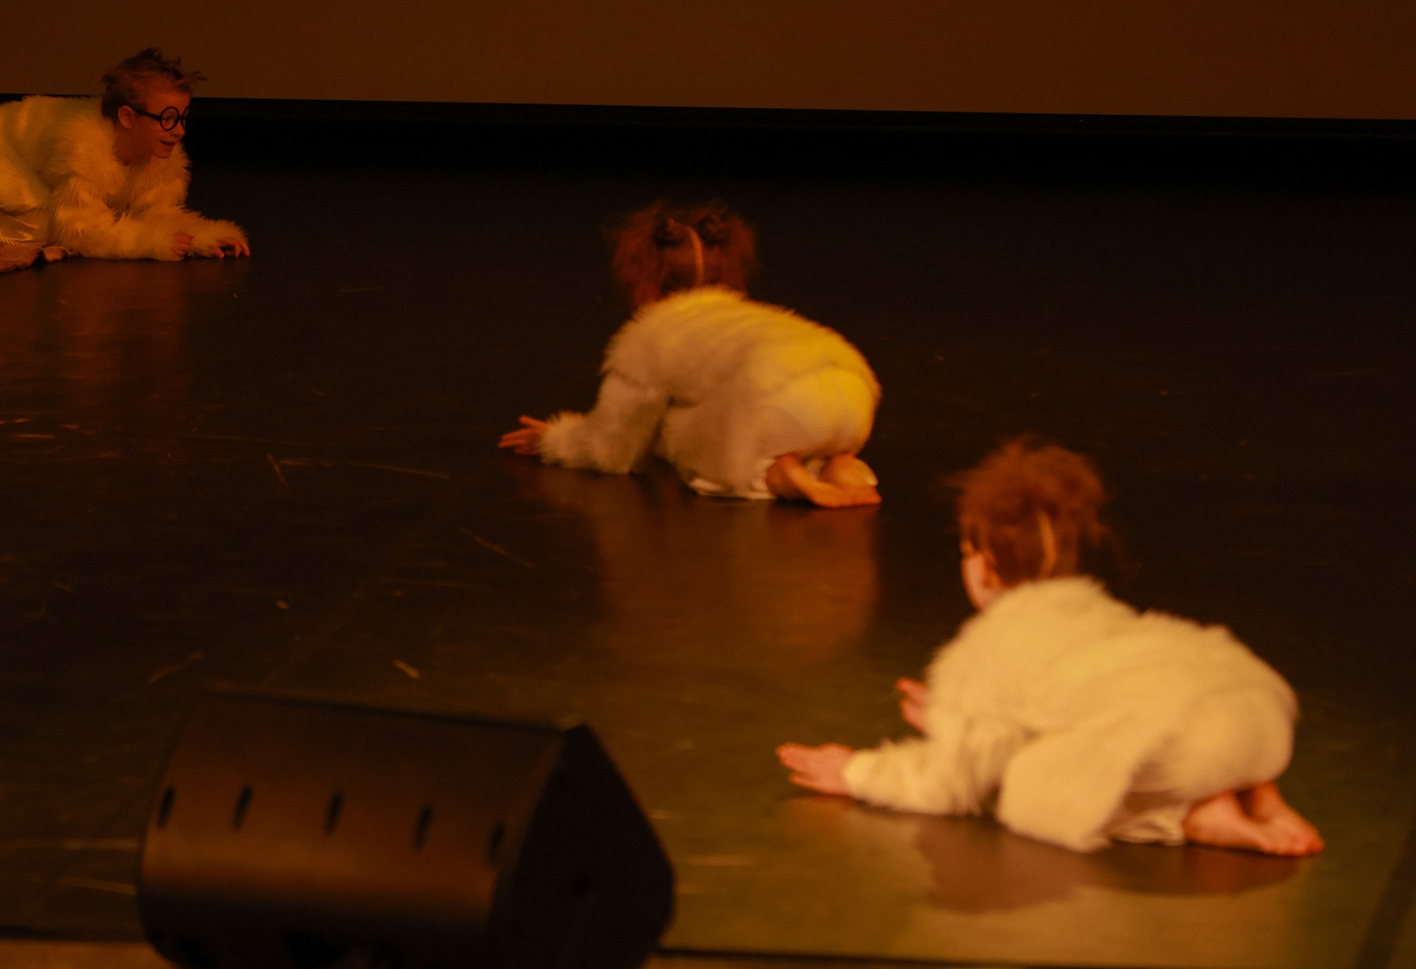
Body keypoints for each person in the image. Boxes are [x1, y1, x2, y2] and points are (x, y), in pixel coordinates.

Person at [778, 440, 1323, 856]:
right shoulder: (1090, 610)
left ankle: (1194, 815)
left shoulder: (989, 647)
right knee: (1100, 740)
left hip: (1188, 750)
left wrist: (855, 772)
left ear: (984, 567)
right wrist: (957, 718)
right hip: (1261, 714)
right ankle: (1255, 790)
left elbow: (949, 783)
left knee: (1031, 792)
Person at [499, 202, 881, 506]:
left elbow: (614, 448)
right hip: (852, 388)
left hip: (775, 401)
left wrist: (555, 440)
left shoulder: (649, 333)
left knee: (683, 434)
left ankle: (778, 474)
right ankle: (839, 463)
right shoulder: (747, 315)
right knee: (735, 410)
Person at [0, 48, 249, 260]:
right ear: (127, 117)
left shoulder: (160, 154)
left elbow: (156, 212)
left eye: (182, 118)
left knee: (55, 209)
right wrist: (151, 244)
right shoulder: (85, 149)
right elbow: (79, 234)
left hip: (28, 158)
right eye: (167, 118)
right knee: (40, 227)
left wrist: (203, 239)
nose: (178, 131)